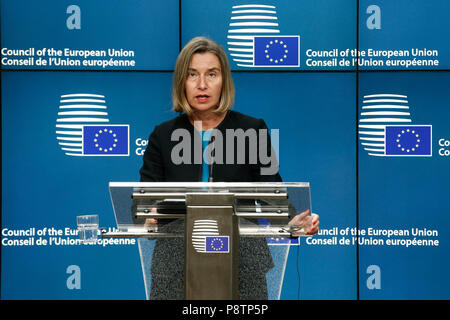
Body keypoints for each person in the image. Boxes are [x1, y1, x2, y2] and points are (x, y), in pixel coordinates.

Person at [139, 36, 319, 299]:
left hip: (242, 263)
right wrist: (148, 215)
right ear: (182, 82)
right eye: (192, 75)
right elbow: (143, 199)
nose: (202, 84)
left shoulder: (251, 129)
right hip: (175, 266)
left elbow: (272, 192)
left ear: (224, 81)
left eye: (211, 74)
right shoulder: (162, 136)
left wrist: (292, 221)